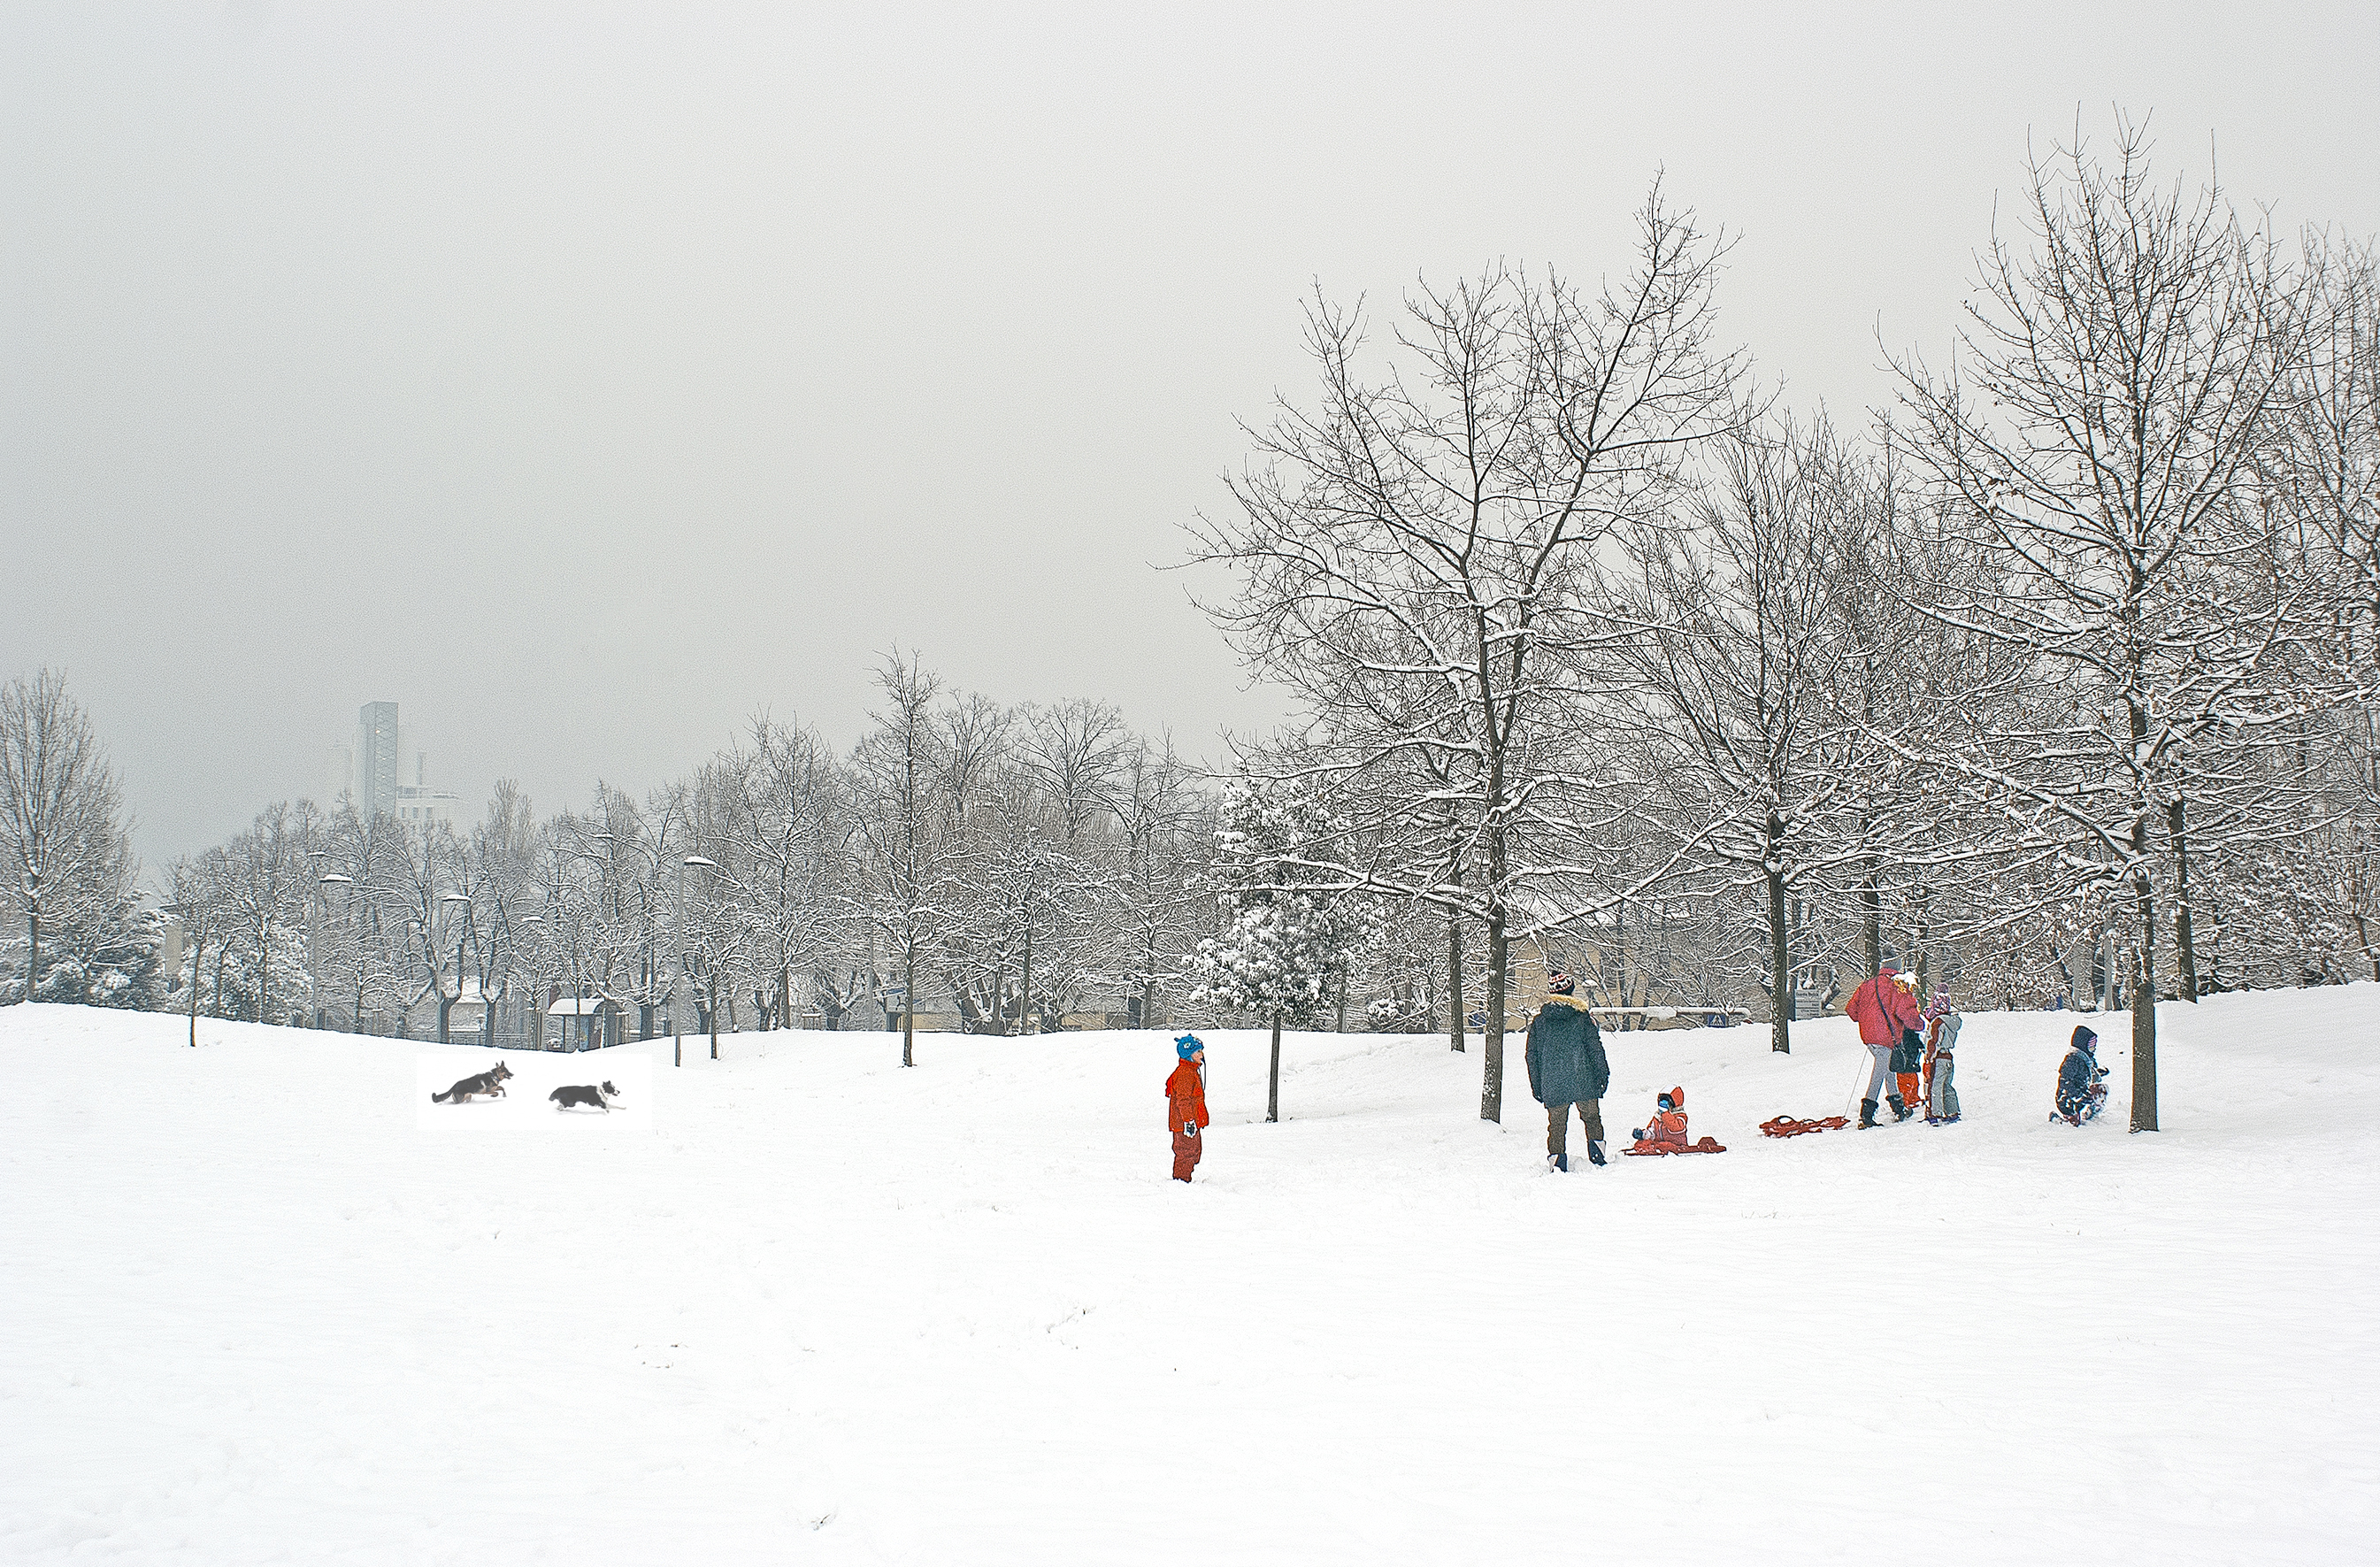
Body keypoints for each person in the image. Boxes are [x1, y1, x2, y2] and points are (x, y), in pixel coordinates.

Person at [1524, 967, 1610, 1171]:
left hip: (1552, 1084)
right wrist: (1602, 1074)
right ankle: (1597, 1157)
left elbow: (1532, 1057)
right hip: (1584, 1079)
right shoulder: (1582, 1018)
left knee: (1556, 1126)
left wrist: (1537, 1086)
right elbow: (1595, 1049)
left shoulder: (1540, 1022)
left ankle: (1557, 1163)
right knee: (1591, 1118)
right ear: (1571, 991)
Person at [1843, 965, 1923, 1128]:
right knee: (1878, 1074)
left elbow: (1852, 1010)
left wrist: (1869, 1019)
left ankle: (1899, 1108)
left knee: (1888, 1071)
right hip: (1886, 1037)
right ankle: (1866, 1115)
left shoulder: (1866, 985)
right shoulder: (1897, 986)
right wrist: (1919, 1024)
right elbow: (1905, 1012)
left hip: (1868, 1036)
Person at [1167, 1034, 1209, 1181]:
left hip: (1189, 1121)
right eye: (1198, 1052)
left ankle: (1184, 1178)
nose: (1202, 1055)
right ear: (1189, 1055)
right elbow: (1183, 1100)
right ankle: (1181, 1180)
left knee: (1194, 1150)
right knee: (1186, 1151)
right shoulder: (1185, 1073)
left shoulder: (1191, 1071)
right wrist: (1188, 1121)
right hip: (1184, 1122)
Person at [2054, 1025, 2108, 1125]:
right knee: (2074, 1124)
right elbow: (2064, 1081)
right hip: (2068, 1099)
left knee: (2101, 1089)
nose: (2093, 1049)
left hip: (2083, 1094)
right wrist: (2077, 1094)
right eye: (2091, 1046)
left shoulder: (2087, 1060)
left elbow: (2089, 1073)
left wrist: (2099, 1072)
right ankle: (2059, 1120)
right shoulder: (2072, 1060)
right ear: (2083, 1045)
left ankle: (2092, 1113)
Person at [1922, 991, 1962, 1125]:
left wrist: (1929, 1057)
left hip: (1938, 1058)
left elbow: (1934, 1041)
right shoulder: (1952, 1022)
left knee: (1935, 1086)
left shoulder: (1938, 1022)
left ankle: (1935, 1113)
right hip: (1948, 1057)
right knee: (1946, 1085)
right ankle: (1952, 1111)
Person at [1631, 1087, 1689, 1152]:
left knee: (1664, 1145)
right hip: (1659, 1145)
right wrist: (1643, 1134)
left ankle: (1652, 1150)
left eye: (1668, 1103)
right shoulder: (1657, 1117)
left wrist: (1665, 1114)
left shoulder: (1680, 1116)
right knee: (1641, 1143)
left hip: (1677, 1146)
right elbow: (1652, 1133)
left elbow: (1675, 1127)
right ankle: (1644, 1151)